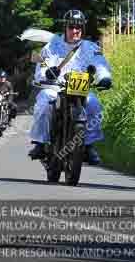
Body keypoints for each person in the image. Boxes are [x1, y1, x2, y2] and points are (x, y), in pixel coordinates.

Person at [27, 9, 112, 165]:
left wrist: (105, 78)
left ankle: (88, 145)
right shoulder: (52, 46)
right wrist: (47, 73)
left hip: (81, 89)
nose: (75, 31)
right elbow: (42, 65)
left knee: (93, 104)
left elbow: (100, 65)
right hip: (56, 88)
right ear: (65, 28)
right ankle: (40, 142)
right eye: (71, 27)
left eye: (78, 27)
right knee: (45, 100)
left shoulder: (91, 47)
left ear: (83, 29)